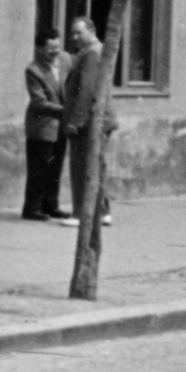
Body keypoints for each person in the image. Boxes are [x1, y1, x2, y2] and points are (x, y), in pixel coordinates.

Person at [61, 16, 116, 228]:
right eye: (72, 33)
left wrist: (75, 121)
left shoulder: (92, 53)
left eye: (78, 33)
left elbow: (86, 90)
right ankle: (101, 212)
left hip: (89, 121)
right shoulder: (97, 50)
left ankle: (81, 214)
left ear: (91, 31)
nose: (74, 37)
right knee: (95, 167)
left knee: (82, 168)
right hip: (98, 118)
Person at [21, 28, 71, 221]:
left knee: (55, 166)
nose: (56, 51)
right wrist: (67, 111)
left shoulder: (66, 59)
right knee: (39, 168)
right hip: (42, 126)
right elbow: (39, 103)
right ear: (39, 49)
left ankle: (51, 205)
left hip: (61, 125)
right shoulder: (33, 70)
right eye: (51, 48)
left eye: (58, 46)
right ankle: (31, 208)